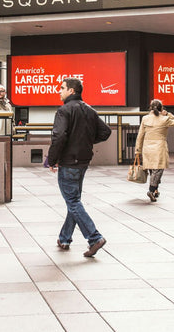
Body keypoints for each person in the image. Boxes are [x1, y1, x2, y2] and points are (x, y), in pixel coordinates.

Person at [46, 78, 112, 258]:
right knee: (74, 201)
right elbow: (105, 132)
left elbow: (59, 136)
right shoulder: (89, 110)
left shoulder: (64, 110)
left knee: (73, 202)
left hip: (68, 162)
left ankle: (94, 237)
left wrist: (51, 160)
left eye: (62, 88)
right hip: (83, 161)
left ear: (72, 91)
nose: (59, 91)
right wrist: (86, 142)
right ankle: (64, 238)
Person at [135, 99, 174, 202]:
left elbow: (140, 135)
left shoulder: (145, 119)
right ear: (161, 108)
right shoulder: (164, 119)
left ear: (150, 108)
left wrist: (137, 150)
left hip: (147, 147)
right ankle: (151, 190)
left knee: (152, 170)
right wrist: (168, 114)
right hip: (159, 147)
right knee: (158, 169)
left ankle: (155, 190)